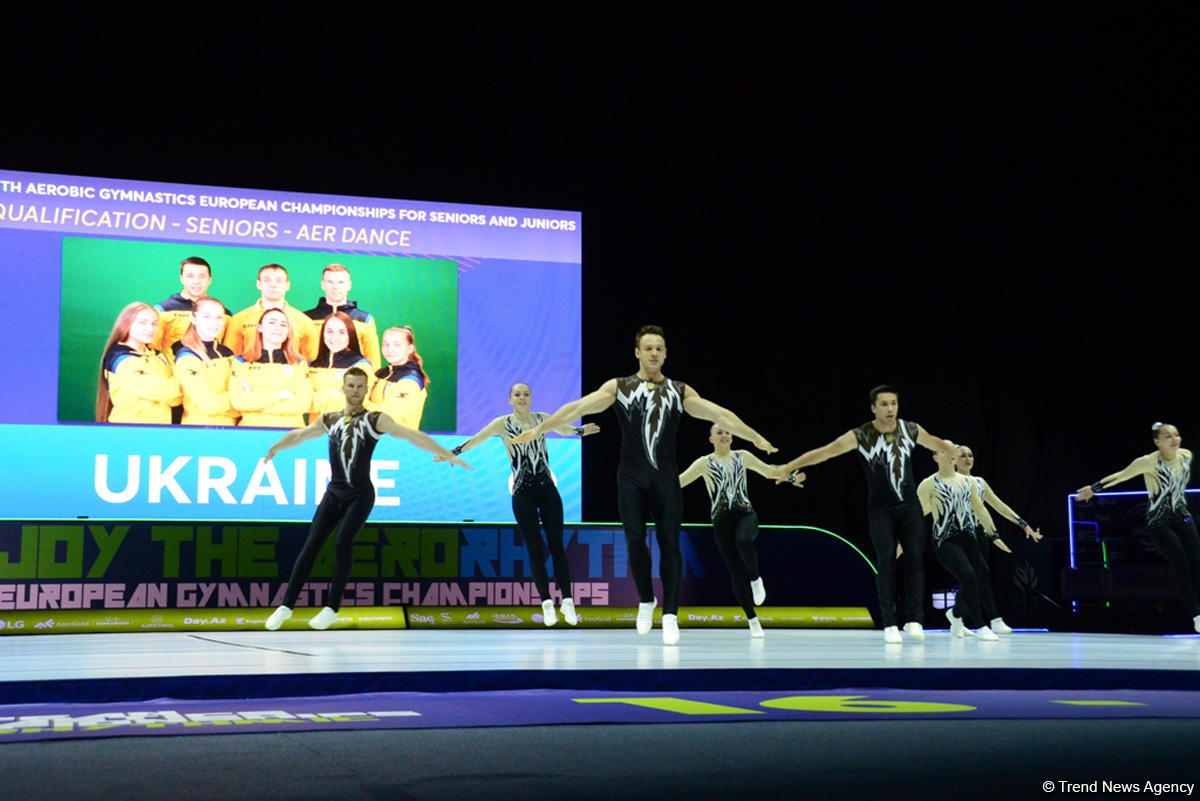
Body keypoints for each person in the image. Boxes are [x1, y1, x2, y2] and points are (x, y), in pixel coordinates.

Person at [513, 325, 777, 645]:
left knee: (669, 543)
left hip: (665, 477)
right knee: (635, 540)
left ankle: (670, 614)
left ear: (665, 354)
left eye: (659, 348)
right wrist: (541, 429)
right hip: (631, 477)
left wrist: (754, 435)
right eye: (648, 348)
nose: (653, 353)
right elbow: (578, 407)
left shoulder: (680, 392)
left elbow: (719, 413)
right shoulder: (619, 387)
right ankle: (646, 599)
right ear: (637, 352)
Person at [263, 367, 471, 631]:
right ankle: (286, 606)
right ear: (344, 388)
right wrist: (277, 446)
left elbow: (412, 435)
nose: (355, 391)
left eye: (361, 386)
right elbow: (300, 435)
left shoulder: (375, 420)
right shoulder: (330, 419)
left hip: (360, 494)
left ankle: (331, 608)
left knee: (342, 542)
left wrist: (449, 453)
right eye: (351, 386)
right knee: (312, 543)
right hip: (334, 491)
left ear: (366, 388)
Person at [776, 385, 958, 643]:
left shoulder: (912, 429)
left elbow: (939, 444)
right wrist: (789, 466)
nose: (890, 409)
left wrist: (954, 453)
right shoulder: (860, 435)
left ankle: (915, 620)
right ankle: (890, 624)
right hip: (880, 508)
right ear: (873, 408)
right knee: (885, 562)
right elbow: (824, 452)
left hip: (909, 506)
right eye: (884, 404)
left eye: (893, 403)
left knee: (915, 559)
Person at [446, 382, 601, 627]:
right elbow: (478, 439)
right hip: (522, 494)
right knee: (535, 549)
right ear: (510, 399)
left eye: (526, 394)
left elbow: (562, 429)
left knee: (557, 546)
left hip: (547, 490)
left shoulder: (542, 418)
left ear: (531, 398)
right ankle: (547, 604)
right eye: (517, 395)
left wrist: (580, 431)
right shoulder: (501, 423)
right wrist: (453, 452)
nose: (521, 398)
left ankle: (568, 602)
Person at [679, 424, 804, 638]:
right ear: (711, 439)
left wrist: (791, 478)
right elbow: (678, 483)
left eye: (727, 432)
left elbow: (768, 471)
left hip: (745, 514)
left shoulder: (742, 456)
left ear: (732, 437)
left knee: (743, 541)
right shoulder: (703, 463)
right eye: (719, 433)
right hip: (721, 522)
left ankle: (756, 579)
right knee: (735, 571)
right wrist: (654, 487)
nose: (724, 435)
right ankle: (753, 620)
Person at [1077, 423, 1200, 634]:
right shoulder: (1148, 462)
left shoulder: (1186, 455)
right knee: (1181, 563)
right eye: (1168, 436)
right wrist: (1093, 489)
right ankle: (1197, 615)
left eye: (1177, 435)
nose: (1174, 440)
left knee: (1197, 561)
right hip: (1158, 521)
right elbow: (1120, 475)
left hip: (1182, 517)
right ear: (1157, 442)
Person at [953, 446, 1043, 633]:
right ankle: (994, 618)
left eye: (970, 455)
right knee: (979, 574)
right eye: (962, 456)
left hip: (980, 534)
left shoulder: (979, 482)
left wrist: (1023, 524)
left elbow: (998, 505)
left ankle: (956, 616)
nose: (968, 459)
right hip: (959, 534)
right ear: (953, 460)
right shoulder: (949, 482)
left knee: (976, 578)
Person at [916, 448, 1001, 640]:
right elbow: (916, 515)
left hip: (968, 536)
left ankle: (955, 617)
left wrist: (994, 534)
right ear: (936, 457)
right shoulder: (929, 484)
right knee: (968, 575)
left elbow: (980, 509)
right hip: (944, 539)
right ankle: (981, 626)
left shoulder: (967, 482)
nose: (950, 456)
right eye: (945, 452)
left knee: (981, 574)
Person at [95, 301, 182, 424]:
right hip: (129, 433)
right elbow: (161, 390)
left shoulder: (159, 356)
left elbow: (176, 399)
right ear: (126, 324)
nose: (150, 329)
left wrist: (174, 391)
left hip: (159, 432)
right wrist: (184, 385)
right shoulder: (120, 359)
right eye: (142, 323)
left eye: (155, 323)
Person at [229, 307, 314, 428]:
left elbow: (302, 404)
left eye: (283, 324)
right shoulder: (242, 363)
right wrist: (280, 396)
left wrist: (256, 406)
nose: (278, 328)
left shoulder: (299, 364)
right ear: (260, 327)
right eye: (271, 322)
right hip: (251, 433)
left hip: (290, 435)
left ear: (288, 331)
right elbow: (238, 401)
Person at [224, 263, 318, 361]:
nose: (273, 285)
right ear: (258, 284)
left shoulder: (304, 321)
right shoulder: (239, 319)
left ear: (287, 285)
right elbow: (232, 358)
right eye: (267, 280)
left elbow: (309, 362)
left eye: (279, 281)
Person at [171, 296, 240, 426]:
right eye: (207, 316)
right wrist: (242, 402)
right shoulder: (187, 356)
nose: (214, 322)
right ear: (194, 319)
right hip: (199, 431)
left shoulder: (227, 353)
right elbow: (209, 404)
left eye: (219, 317)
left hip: (232, 430)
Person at [304, 263, 382, 369]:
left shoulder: (364, 319)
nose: (335, 287)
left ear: (349, 285)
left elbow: (374, 362)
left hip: (352, 382)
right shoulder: (306, 318)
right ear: (323, 284)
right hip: (314, 379)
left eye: (341, 282)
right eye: (330, 282)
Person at [153, 256, 231, 355]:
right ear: (182, 279)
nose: (196, 282)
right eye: (190, 276)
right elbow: (152, 350)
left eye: (202, 276)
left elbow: (227, 350)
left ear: (209, 280)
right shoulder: (162, 310)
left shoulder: (225, 314)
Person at [309, 312, 373, 417]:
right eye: (329, 331)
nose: (334, 337)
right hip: (316, 430)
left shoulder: (361, 366)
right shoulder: (311, 365)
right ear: (323, 334)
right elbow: (303, 402)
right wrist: (335, 394)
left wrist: (316, 398)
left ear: (350, 335)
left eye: (341, 332)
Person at [367, 325, 428, 430]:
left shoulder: (410, 382)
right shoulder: (381, 374)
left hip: (398, 442)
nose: (390, 349)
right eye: (386, 344)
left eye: (397, 345)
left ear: (410, 349)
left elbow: (388, 418)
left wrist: (360, 404)